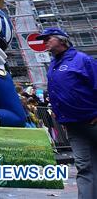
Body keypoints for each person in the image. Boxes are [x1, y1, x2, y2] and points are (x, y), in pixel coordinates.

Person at [37, 26, 97, 199]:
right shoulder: (53, 64)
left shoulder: (83, 60)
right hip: (73, 126)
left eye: (48, 39)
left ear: (61, 40)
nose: (45, 42)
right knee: (85, 166)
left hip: (93, 122)